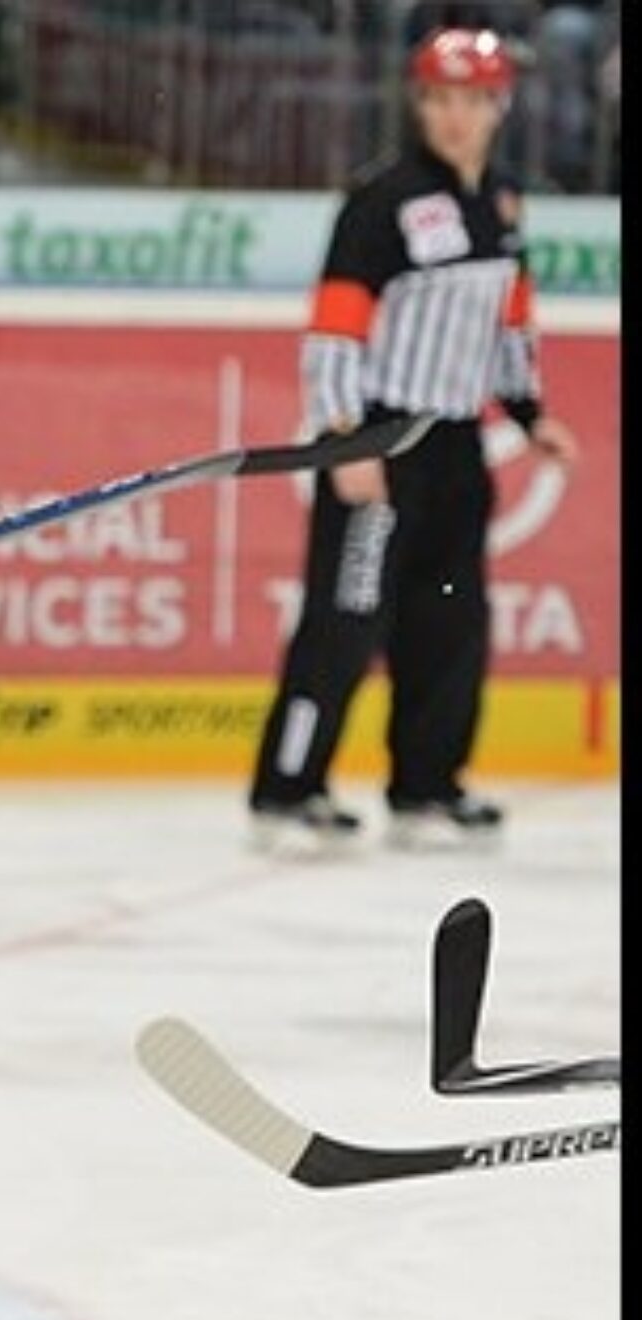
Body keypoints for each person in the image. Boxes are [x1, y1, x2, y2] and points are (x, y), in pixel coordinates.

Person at [246, 26, 581, 853]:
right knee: (345, 621)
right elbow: (334, 331)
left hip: (458, 446)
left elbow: (510, 319)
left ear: (498, 106)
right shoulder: (382, 200)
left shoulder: (502, 201)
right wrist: (347, 442)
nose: (454, 116)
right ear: (418, 104)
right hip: (381, 440)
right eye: (438, 99)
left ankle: (427, 789)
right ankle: (287, 791)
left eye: (471, 100)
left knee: (450, 623)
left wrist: (530, 415)